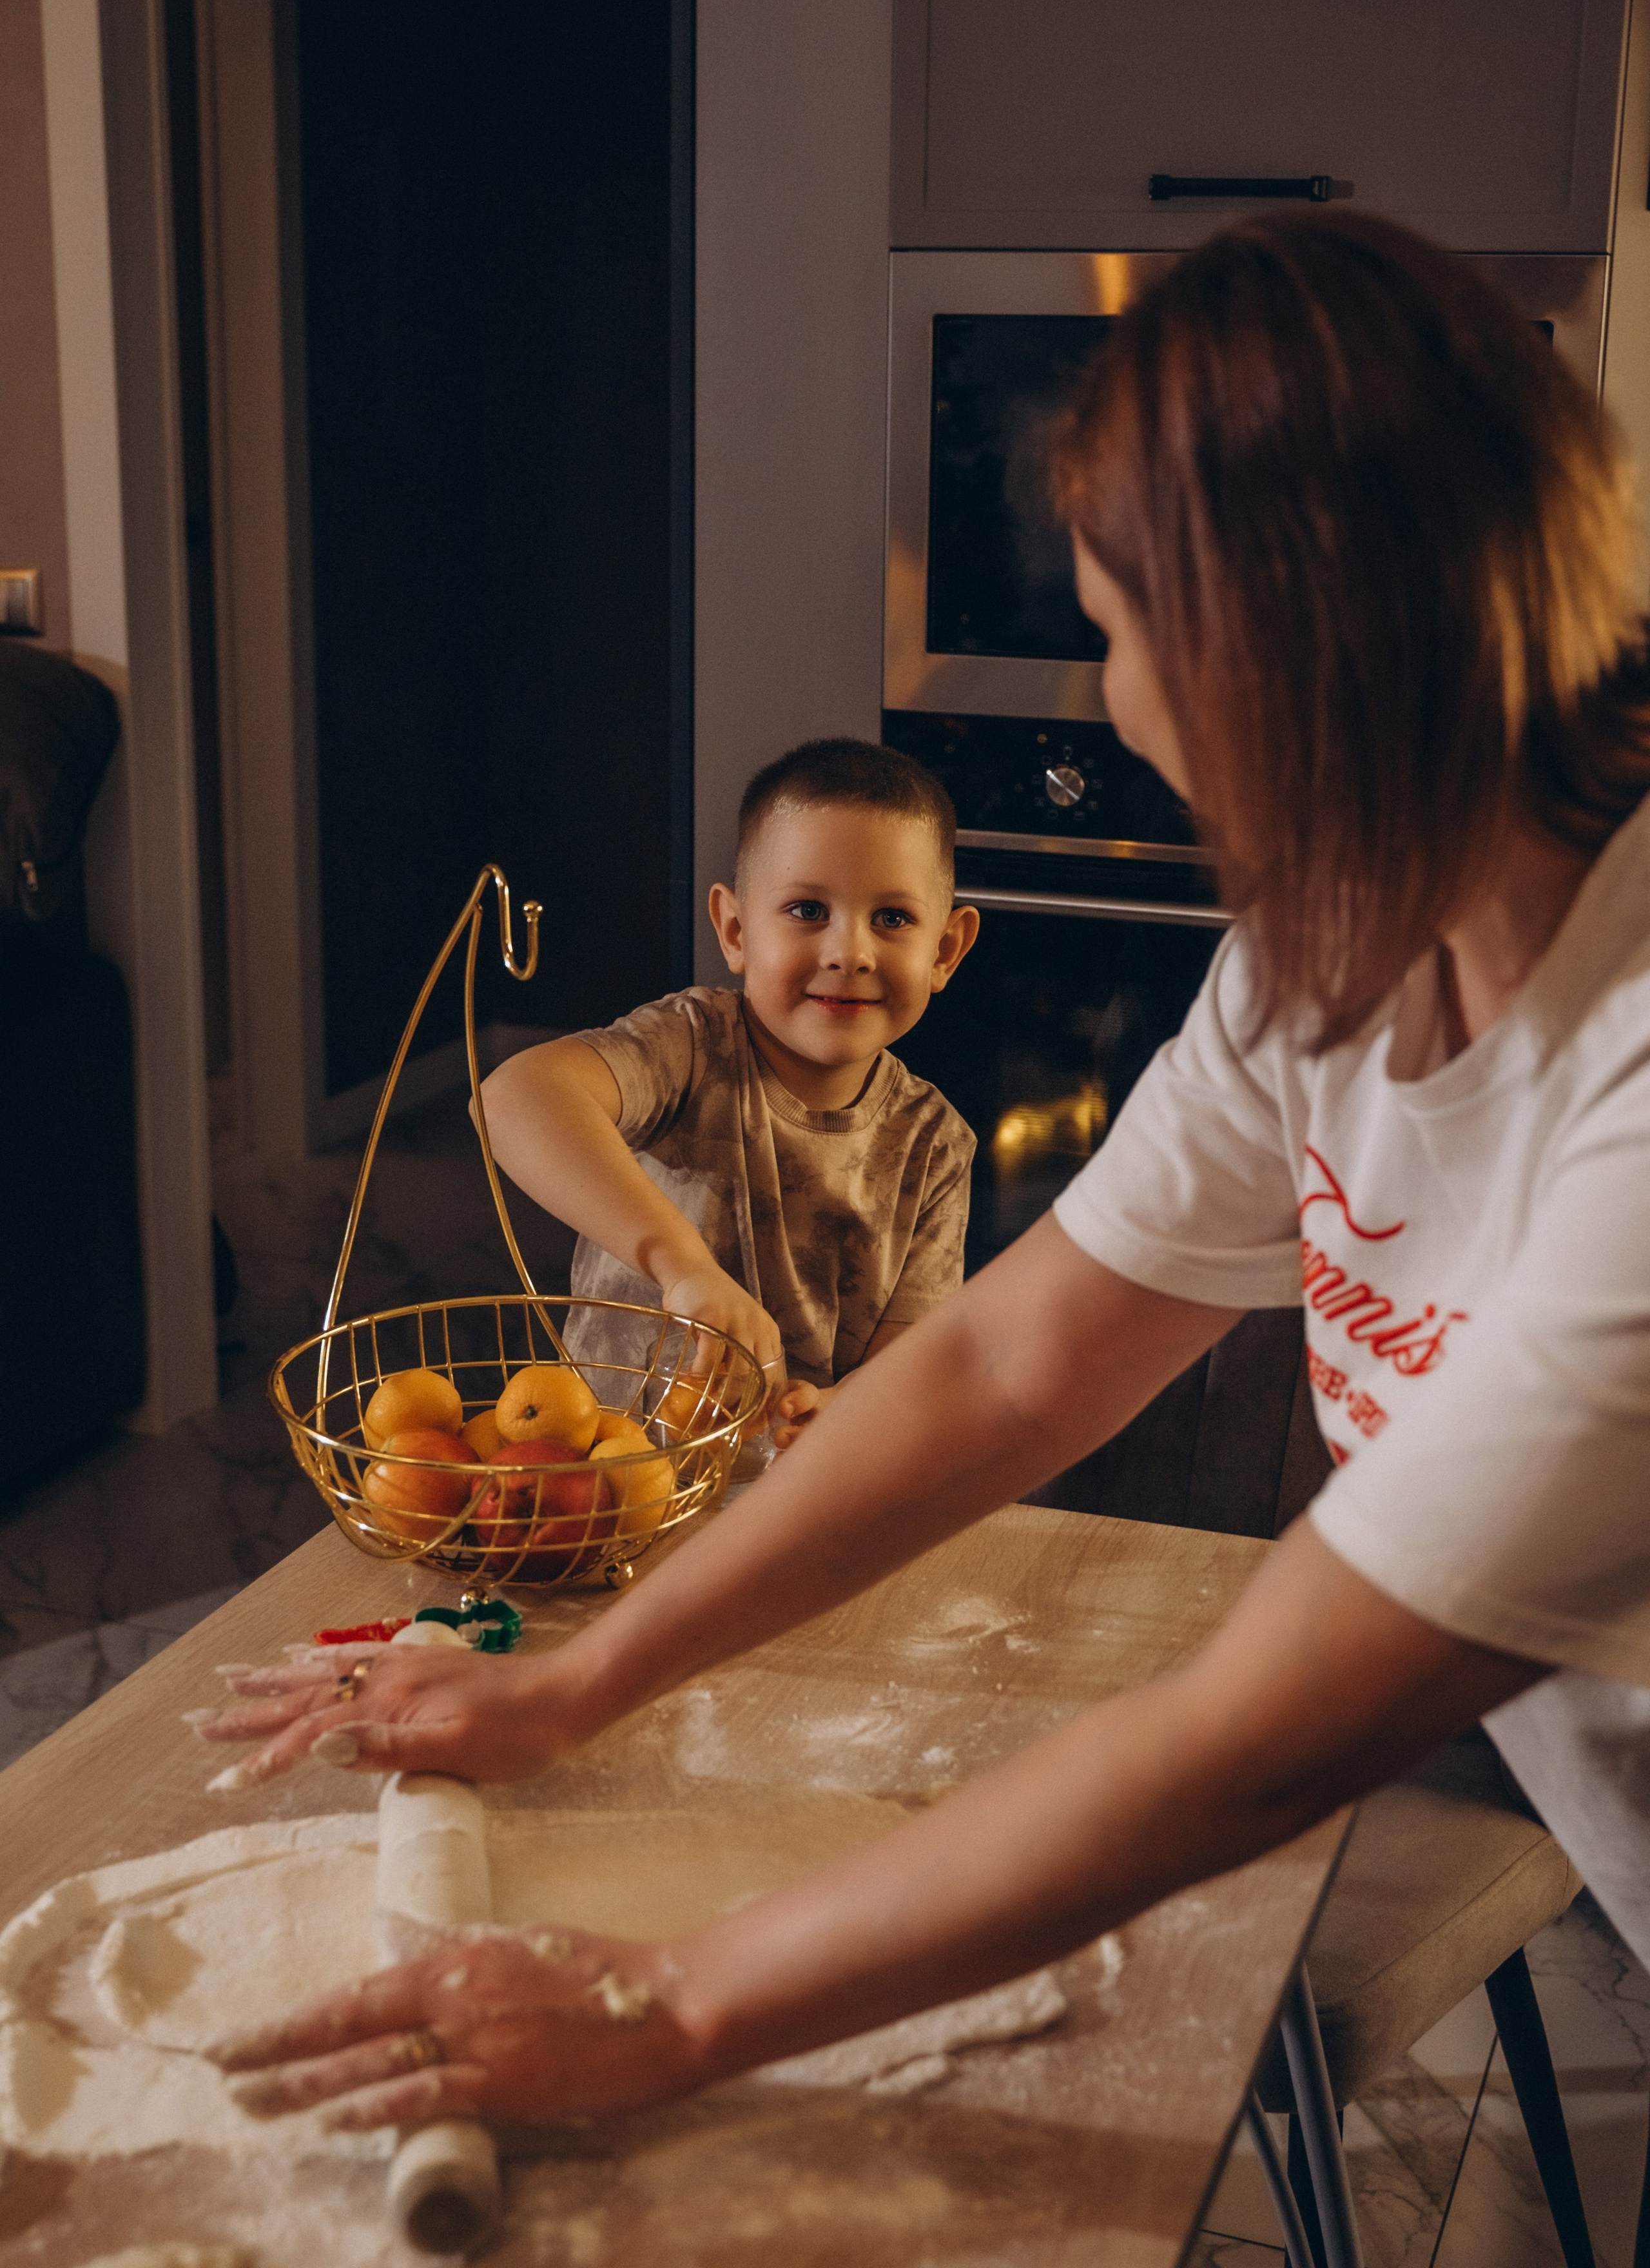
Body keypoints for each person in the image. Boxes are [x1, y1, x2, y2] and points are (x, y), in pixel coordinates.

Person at [194, 210, 1650, 2143]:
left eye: (1119, 632)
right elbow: (1008, 1364)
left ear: (1270, 644)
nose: (1116, 701)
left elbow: (1249, 1738)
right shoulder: (1329, 959)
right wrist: (573, 1687)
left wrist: (671, 2007)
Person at [478, 737, 980, 1445]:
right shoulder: (688, 1046)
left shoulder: (936, 1143)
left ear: (945, 951)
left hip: (795, 1482)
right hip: (606, 1468)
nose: (849, 953)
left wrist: (841, 1409)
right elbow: (510, 1098)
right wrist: (683, 1267)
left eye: (892, 919)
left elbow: (909, 1362)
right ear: (736, 931)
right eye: (808, 910)